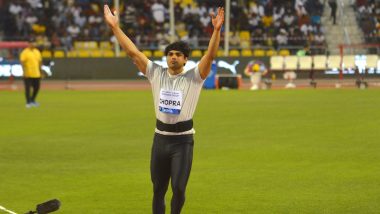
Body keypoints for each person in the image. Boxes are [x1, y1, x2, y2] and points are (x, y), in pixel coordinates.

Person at [104, 4, 224, 214]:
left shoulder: (194, 77)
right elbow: (133, 52)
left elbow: (210, 56)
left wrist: (216, 31)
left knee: (178, 188)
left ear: (186, 59)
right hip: (160, 139)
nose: (173, 57)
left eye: (178, 54)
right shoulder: (155, 73)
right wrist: (115, 27)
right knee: (158, 189)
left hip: (183, 141)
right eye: (170, 54)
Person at [19, 38, 42, 108]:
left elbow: (40, 62)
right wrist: (24, 72)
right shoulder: (25, 52)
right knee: (28, 89)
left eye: (34, 42)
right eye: (31, 43)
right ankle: (28, 102)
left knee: (37, 88)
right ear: (28, 44)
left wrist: (40, 71)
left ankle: (32, 100)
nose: (33, 44)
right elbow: (22, 62)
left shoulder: (37, 51)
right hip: (28, 73)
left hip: (36, 73)